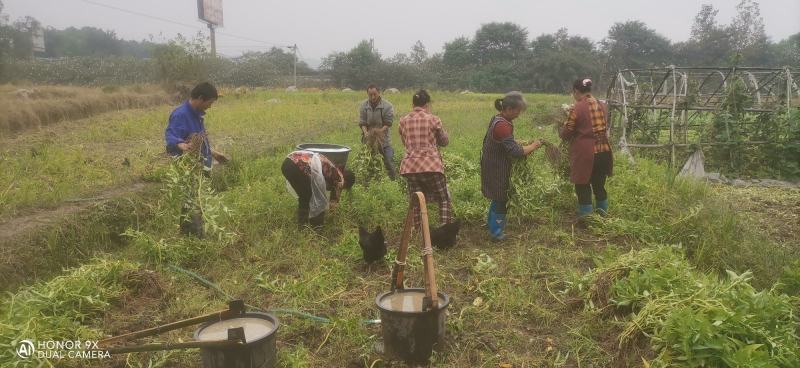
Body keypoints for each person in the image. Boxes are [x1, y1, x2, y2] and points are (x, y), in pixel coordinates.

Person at [164, 82, 228, 236]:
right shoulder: (181, 114)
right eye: (210, 103)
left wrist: (214, 153)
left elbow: (199, 141)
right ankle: (194, 235)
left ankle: (191, 233)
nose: (210, 107)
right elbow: (170, 136)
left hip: (199, 164)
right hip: (187, 167)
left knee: (197, 199)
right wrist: (180, 145)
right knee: (191, 199)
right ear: (200, 98)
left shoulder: (196, 115)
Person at [398, 90, 459, 247]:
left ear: (413, 105)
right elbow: (444, 141)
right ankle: (444, 233)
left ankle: (420, 235)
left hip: (410, 167)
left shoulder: (403, 121)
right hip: (431, 166)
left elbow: (405, 142)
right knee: (443, 198)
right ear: (427, 105)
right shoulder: (433, 120)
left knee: (417, 200)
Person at [480, 91, 543, 241]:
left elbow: (506, 142)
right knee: (501, 198)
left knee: (497, 198)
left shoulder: (498, 119)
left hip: (492, 164)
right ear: (508, 109)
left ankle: (492, 226)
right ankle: (496, 233)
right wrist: (534, 146)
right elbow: (515, 152)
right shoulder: (502, 125)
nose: (519, 114)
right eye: (517, 111)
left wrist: (520, 143)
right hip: (497, 167)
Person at [559, 78, 613, 221]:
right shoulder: (602, 105)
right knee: (599, 185)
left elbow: (567, 133)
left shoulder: (577, 108)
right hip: (603, 152)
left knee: (582, 185)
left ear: (576, 91)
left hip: (586, 154)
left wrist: (561, 128)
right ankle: (603, 216)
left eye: (573, 93)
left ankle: (586, 219)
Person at [282, 150, 356, 229]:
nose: (341, 189)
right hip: (295, 165)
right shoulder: (339, 178)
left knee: (307, 194)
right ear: (346, 182)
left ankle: (305, 224)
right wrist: (331, 216)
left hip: (288, 162)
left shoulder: (333, 170)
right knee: (308, 197)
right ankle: (309, 227)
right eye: (344, 187)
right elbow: (333, 201)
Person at [359, 84, 397, 179]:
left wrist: (379, 132)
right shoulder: (364, 105)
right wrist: (366, 133)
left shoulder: (387, 106)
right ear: (367, 94)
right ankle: (370, 181)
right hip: (368, 140)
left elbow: (388, 123)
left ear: (379, 93)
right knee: (368, 162)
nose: (372, 97)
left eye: (374, 94)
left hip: (384, 140)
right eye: (370, 95)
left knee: (388, 161)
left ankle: (394, 180)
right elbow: (362, 122)